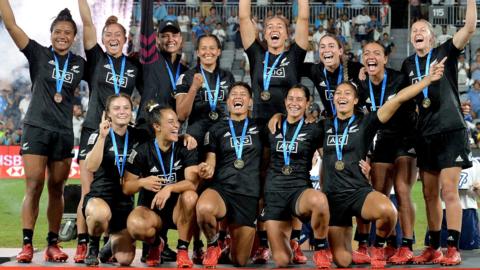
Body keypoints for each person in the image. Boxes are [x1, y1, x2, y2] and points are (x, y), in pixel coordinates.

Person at [325, 58, 446, 268]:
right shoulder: (323, 125)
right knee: (343, 262)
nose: (341, 96)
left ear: (356, 101)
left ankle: (379, 247)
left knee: (389, 210)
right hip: (335, 199)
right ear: (333, 99)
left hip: (357, 192)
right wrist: (280, 115)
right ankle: (346, 246)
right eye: (338, 93)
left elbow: (397, 100)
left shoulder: (367, 121)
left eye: (347, 93)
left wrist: (427, 80)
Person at [0, 0, 85, 263]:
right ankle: (26, 244)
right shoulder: (38, 53)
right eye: (58, 31)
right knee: (34, 184)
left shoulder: (80, 63)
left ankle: (52, 243)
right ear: (51, 34)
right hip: (36, 128)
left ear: (73, 37)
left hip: (62, 132)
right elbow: (12, 25)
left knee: (57, 188)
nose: (62, 36)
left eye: (67, 32)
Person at [400, 0, 477, 265]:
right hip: (425, 136)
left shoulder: (445, 51)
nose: (417, 33)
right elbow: (402, 99)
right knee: (429, 194)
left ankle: (452, 247)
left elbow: (468, 27)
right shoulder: (408, 66)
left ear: (431, 37)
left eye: (422, 29)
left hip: (450, 131)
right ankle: (433, 246)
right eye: (413, 31)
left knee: (448, 191)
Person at [239, 0, 310, 263]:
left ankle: (296, 242)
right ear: (263, 33)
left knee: (291, 184)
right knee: (261, 187)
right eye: (269, 26)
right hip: (259, 129)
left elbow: (303, 20)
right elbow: (244, 17)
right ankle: (262, 244)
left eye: (280, 26)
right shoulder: (257, 54)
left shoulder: (294, 55)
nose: (274, 29)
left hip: (289, 129)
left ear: (287, 33)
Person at [75, 0, 142, 262]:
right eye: (108, 35)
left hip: (123, 131)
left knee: (117, 187)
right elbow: (88, 23)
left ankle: (109, 241)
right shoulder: (97, 59)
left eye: (118, 35)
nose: (113, 38)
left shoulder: (135, 66)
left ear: (126, 39)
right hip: (95, 128)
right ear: (103, 39)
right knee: (88, 189)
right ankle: (84, 243)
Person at [357, 41, 417, 264]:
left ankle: (408, 245)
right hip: (380, 143)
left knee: (402, 190)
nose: (371, 56)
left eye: (376, 53)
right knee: (379, 193)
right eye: (366, 53)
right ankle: (389, 243)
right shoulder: (361, 85)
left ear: (385, 59)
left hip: (404, 139)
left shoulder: (399, 79)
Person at [196, 82, 265, 267]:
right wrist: (208, 168)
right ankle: (212, 244)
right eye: (234, 94)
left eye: (243, 94)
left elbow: (267, 160)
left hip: (248, 194)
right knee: (204, 209)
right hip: (222, 189)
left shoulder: (261, 127)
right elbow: (211, 158)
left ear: (250, 102)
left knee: (240, 261)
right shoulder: (216, 129)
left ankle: (226, 247)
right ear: (227, 102)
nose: (238, 97)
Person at [123, 104, 199, 268]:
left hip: (178, 211)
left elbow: (192, 183)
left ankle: (183, 249)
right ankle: (157, 243)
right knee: (135, 225)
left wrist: (169, 188)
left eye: (177, 122)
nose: (176, 125)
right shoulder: (142, 151)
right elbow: (126, 187)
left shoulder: (186, 146)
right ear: (157, 126)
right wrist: (142, 182)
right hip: (151, 210)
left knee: (190, 196)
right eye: (171, 122)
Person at [264, 85, 332, 268]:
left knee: (320, 200)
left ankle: (320, 249)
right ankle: (293, 244)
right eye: (291, 98)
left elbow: (329, 158)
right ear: (285, 101)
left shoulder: (315, 129)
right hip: (274, 194)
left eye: (300, 99)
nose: (294, 103)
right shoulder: (272, 126)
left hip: (299, 191)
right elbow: (262, 162)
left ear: (308, 103)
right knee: (282, 260)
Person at [82, 94, 138, 266]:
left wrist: (184, 138)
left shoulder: (138, 136)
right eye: (116, 108)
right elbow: (90, 166)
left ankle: (107, 247)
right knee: (100, 215)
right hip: (100, 197)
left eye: (126, 108)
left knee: (126, 259)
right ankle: (92, 247)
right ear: (108, 114)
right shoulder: (98, 135)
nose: (122, 112)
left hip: (125, 203)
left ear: (131, 111)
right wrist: (102, 136)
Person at [176, 34, 235, 150]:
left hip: (222, 135)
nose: (208, 52)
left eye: (212, 48)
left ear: (218, 51)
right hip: (196, 137)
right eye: (203, 48)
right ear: (197, 52)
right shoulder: (186, 77)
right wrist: (193, 88)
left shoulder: (228, 76)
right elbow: (181, 115)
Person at [137, 0, 188, 130]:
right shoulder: (151, 58)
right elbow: (146, 31)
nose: (170, 39)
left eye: (174, 35)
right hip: (148, 127)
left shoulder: (185, 71)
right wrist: (147, 3)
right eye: (165, 36)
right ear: (157, 40)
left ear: (181, 39)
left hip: (172, 130)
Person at [301, 34, 363, 118]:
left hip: (354, 121)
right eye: (322, 47)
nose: (326, 50)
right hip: (330, 122)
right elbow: (293, 64)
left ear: (340, 51)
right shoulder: (315, 70)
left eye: (331, 46)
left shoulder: (356, 68)